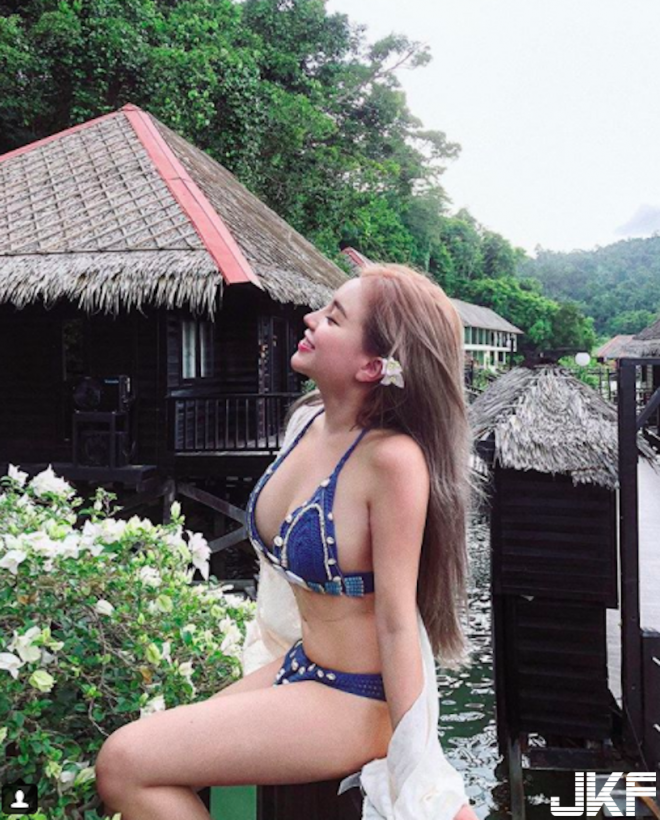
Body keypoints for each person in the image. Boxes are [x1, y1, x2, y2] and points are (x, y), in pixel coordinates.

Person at [95, 264, 483, 820]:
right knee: (144, 764)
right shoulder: (306, 423)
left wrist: (416, 769)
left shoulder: (393, 462)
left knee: (124, 762)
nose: (310, 318)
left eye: (334, 318)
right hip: (299, 665)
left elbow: (398, 623)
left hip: (356, 697)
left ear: (373, 365)